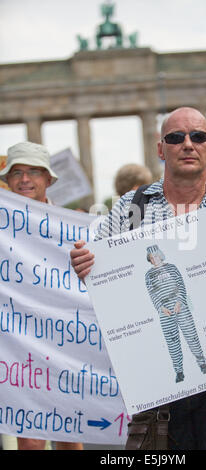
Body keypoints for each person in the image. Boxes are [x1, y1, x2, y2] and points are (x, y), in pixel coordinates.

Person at [70, 107, 206, 450]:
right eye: (175, 137)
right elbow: (99, 271)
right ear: (160, 149)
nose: (187, 144)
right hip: (157, 383)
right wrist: (84, 262)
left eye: (197, 136)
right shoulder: (130, 208)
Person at [0, 141, 83, 451]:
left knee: (68, 433)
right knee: (31, 441)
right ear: (6, 181)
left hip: (65, 342)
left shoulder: (73, 225)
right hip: (17, 346)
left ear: (49, 179)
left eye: (33, 172)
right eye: (17, 172)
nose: (24, 180)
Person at [145, 244, 206, 382]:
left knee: (191, 335)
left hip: (180, 306)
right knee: (172, 341)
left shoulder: (172, 268)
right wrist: (161, 307)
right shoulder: (148, 275)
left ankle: (202, 363)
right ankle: (179, 371)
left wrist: (179, 301)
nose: (154, 259)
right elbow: (152, 293)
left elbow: (181, 285)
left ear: (160, 255)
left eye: (155, 256)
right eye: (151, 258)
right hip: (164, 311)